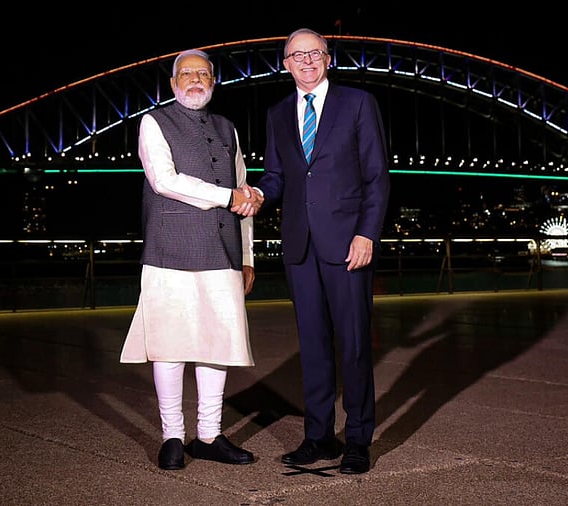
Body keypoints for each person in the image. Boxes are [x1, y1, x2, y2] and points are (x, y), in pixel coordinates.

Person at [253, 28, 390, 474]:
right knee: (312, 346)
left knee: (352, 344)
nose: (307, 60)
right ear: (286, 64)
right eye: (297, 55)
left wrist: (367, 233)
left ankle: (357, 440)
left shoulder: (357, 103)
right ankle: (318, 437)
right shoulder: (276, 114)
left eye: (315, 53)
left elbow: (376, 176)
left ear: (328, 58)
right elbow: (277, 176)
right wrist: (254, 193)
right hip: (300, 244)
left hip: (348, 242)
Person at [120, 48, 261, 471]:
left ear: (213, 82)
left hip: (223, 252)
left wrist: (248, 255)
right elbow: (164, 181)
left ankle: (210, 435)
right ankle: (172, 437)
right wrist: (228, 197)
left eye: (203, 74)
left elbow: (243, 190)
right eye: (187, 74)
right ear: (173, 83)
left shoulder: (227, 128)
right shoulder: (153, 122)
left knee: (217, 342)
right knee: (170, 344)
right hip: (170, 249)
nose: (195, 80)